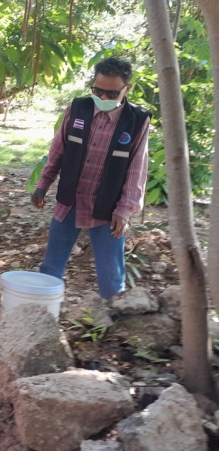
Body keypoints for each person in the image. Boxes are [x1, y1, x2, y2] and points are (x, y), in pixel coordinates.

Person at [31, 57, 151, 300]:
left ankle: (114, 315)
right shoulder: (78, 108)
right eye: (98, 91)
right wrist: (43, 184)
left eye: (112, 93)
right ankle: (42, 310)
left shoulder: (137, 121)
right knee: (51, 264)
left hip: (108, 207)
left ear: (127, 89)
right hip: (70, 200)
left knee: (111, 272)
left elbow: (137, 168)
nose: (103, 98)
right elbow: (58, 150)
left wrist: (125, 210)